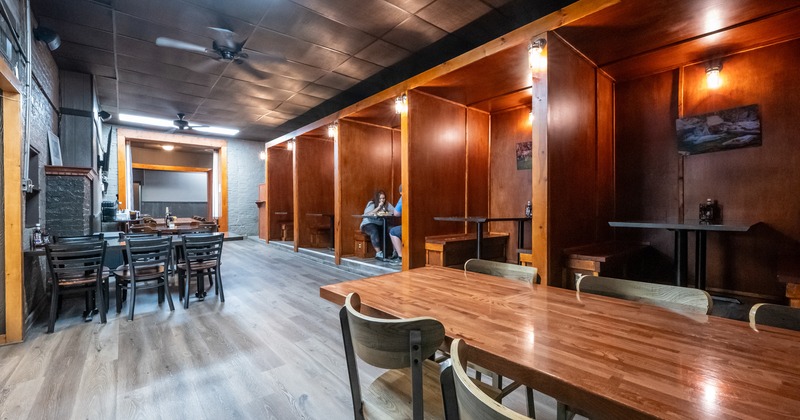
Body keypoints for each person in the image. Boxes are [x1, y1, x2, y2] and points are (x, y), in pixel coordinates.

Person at [360, 190, 394, 260]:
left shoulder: (387, 204)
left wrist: (386, 212)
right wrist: (378, 207)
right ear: (377, 198)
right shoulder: (371, 203)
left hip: (381, 224)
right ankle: (378, 253)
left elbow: (394, 211)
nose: (382, 200)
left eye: (383, 198)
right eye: (380, 198)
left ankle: (395, 252)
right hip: (368, 224)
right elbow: (367, 214)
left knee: (392, 229)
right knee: (374, 230)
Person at [389, 184, 403, 264]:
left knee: (393, 231)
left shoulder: (403, 197)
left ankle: (401, 257)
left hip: (412, 227)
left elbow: (396, 213)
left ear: (401, 192)